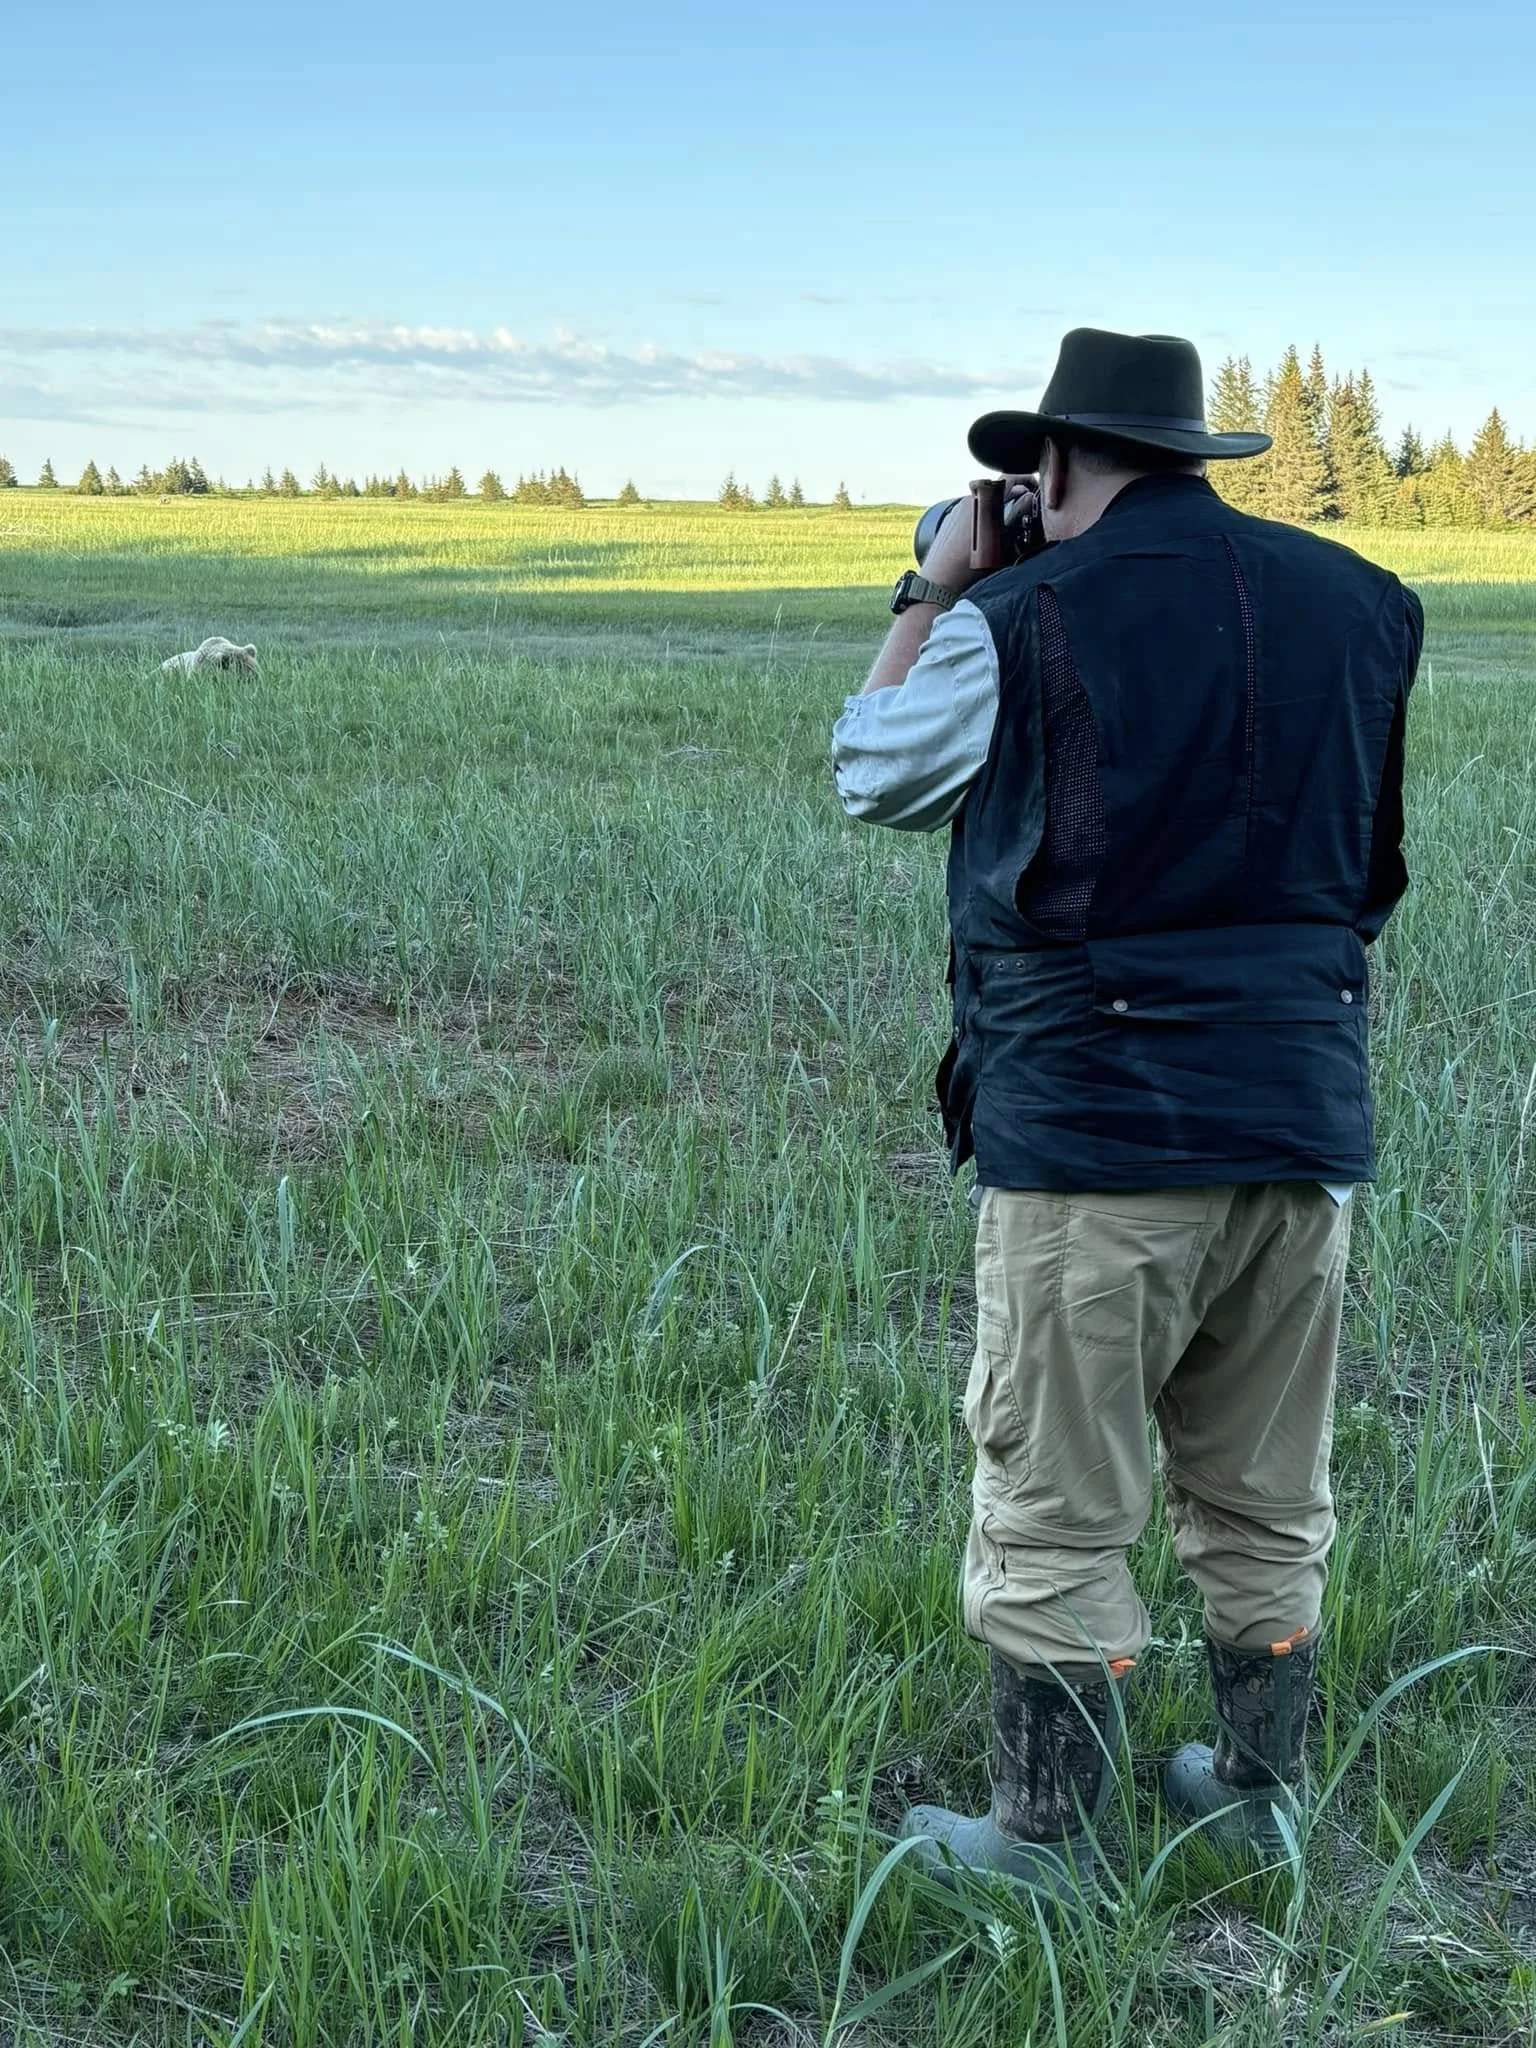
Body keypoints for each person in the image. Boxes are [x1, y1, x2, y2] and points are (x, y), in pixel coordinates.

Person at [831, 328, 1423, 1900]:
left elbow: (870, 772)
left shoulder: (1018, 619)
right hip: (1305, 1126)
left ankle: (1049, 1845)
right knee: (1266, 1489)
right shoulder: (1363, 606)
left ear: (1058, 464)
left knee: (1054, 1501)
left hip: (1098, 1135)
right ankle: (1253, 1789)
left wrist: (932, 590)